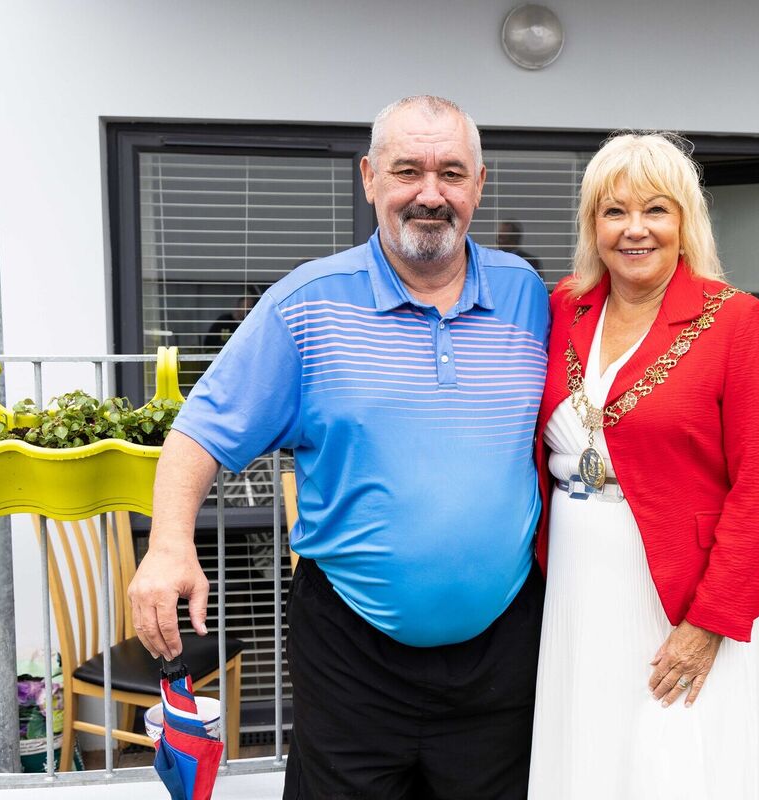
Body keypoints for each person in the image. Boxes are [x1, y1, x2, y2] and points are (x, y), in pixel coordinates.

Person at [128, 95, 549, 800]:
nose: (429, 194)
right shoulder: (306, 306)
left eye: (450, 173)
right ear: (369, 179)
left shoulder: (526, 294)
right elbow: (199, 431)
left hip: (502, 656)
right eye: (407, 170)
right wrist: (169, 546)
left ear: (480, 184)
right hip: (354, 655)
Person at [527, 132, 759, 799]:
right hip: (578, 576)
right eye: (614, 212)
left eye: (656, 210)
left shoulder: (735, 320)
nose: (634, 229)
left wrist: (709, 622)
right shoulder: (564, 307)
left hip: (681, 589)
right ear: (593, 226)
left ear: (685, 222)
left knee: (673, 762)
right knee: (586, 747)